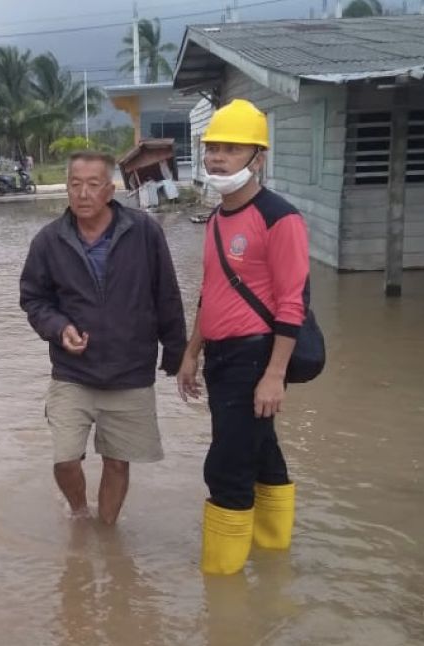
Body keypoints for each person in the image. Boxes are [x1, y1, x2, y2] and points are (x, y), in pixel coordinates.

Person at [176, 99, 310, 575]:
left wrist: (274, 375)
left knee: (227, 466)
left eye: (230, 149)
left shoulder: (280, 217)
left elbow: (292, 303)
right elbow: (210, 295)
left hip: (257, 357)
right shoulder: (215, 219)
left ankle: (222, 584)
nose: (216, 158)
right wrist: (191, 354)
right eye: (212, 148)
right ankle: (275, 558)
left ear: (258, 158)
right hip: (222, 356)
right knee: (262, 451)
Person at [20, 151, 187, 525]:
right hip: (73, 371)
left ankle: (107, 533)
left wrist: (176, 354)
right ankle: (79, 513)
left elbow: (167, 295)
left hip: (130, 371)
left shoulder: (144, 232)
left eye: (93, 185)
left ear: (110, 190)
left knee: (117, 460)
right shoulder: (49, 241)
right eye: (75, 185)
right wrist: (59, 328)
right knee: (64, 459)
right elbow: (33, 298)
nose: (82, 193)